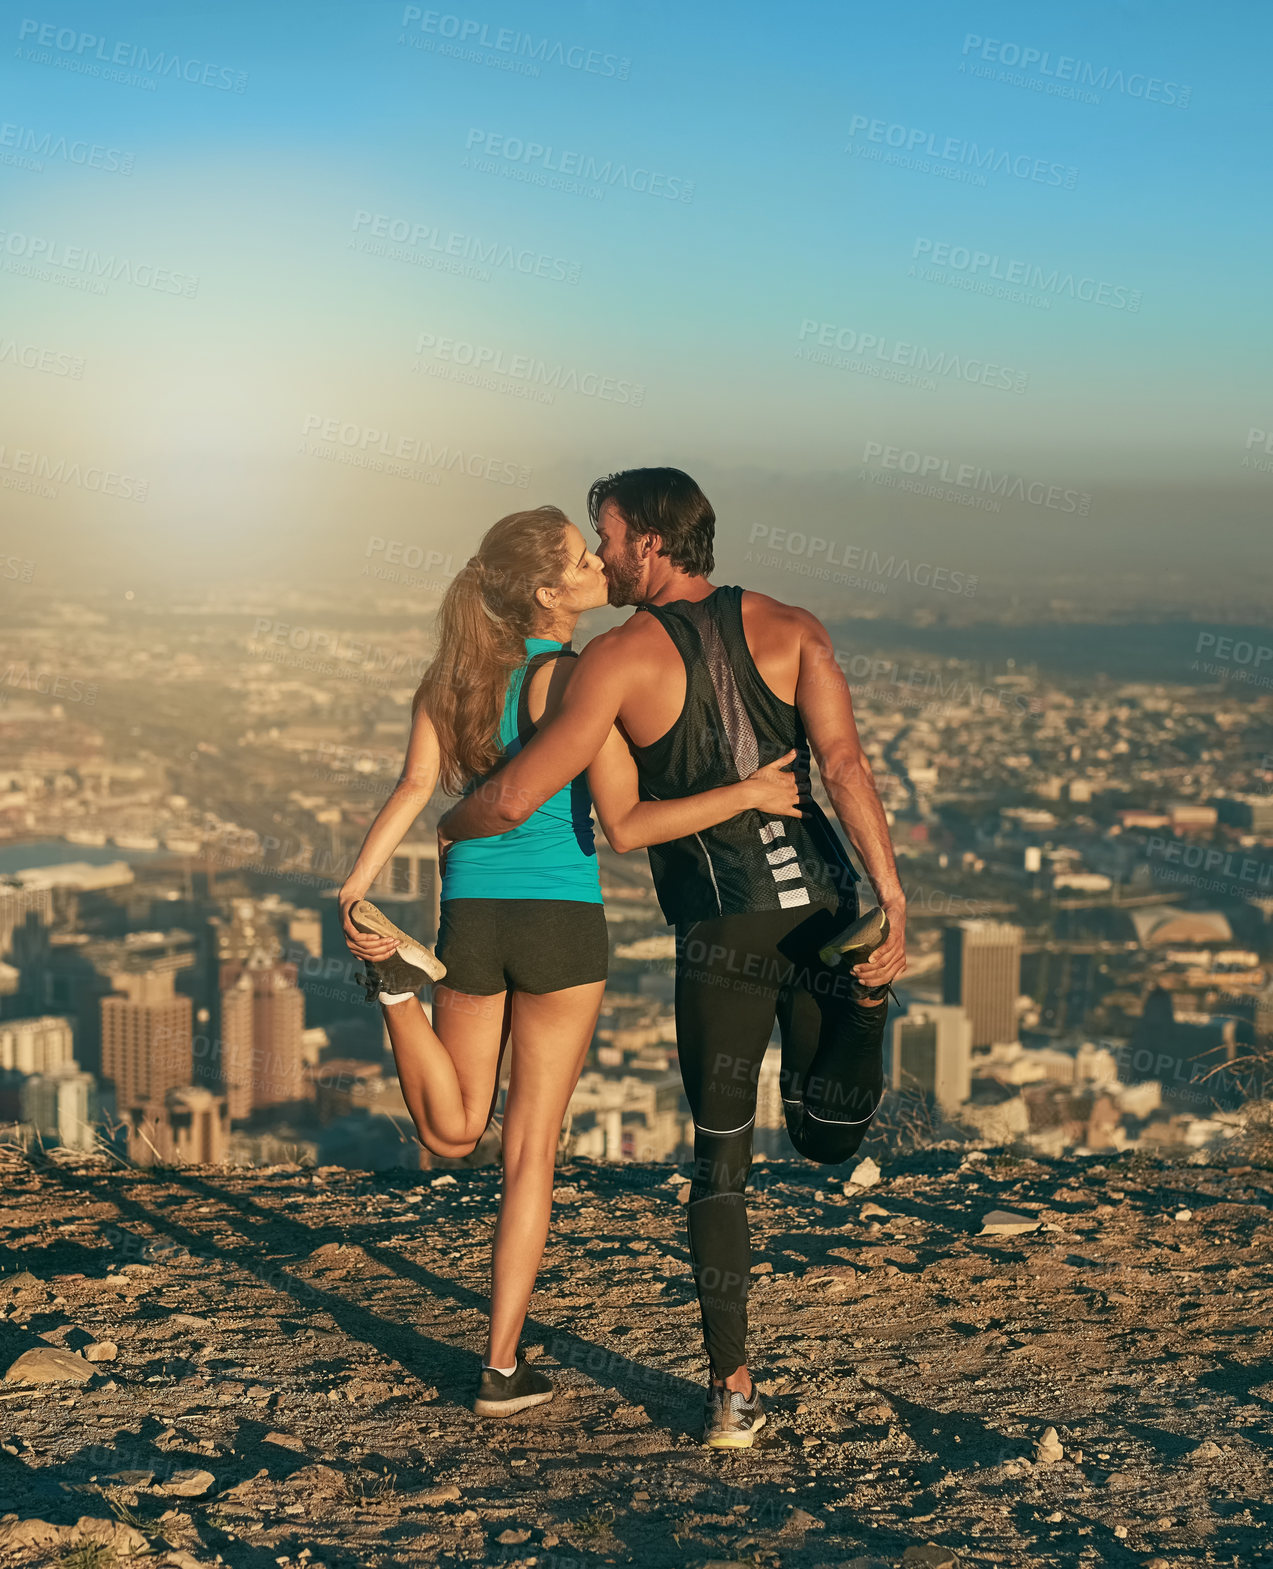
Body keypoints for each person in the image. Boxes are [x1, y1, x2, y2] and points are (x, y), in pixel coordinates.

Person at [438, 469, 907, 1448]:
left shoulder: (613, 663)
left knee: (722, 1163)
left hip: (723, 933)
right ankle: (866, 1014)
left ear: (649, 543)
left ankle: (731, 1389)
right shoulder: (795, 627)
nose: (599, 557)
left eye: (606, 537)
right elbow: (849, 770)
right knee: (826, 1141)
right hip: (824, 905)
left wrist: (453, 822)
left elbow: (522, 795)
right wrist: (892, 896)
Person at [337, 503, 803, 1419]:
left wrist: (354, 885)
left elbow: (415, 789)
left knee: (450, 1132)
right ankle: (500, 1366)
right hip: (561, 923)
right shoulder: (579, 680)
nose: (601, 564)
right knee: (528, 1157)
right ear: (548, 592)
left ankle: (397, 990)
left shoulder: (451, 677)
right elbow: (626, 826)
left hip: (470, 912)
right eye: (583, 559)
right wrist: (744, 791)